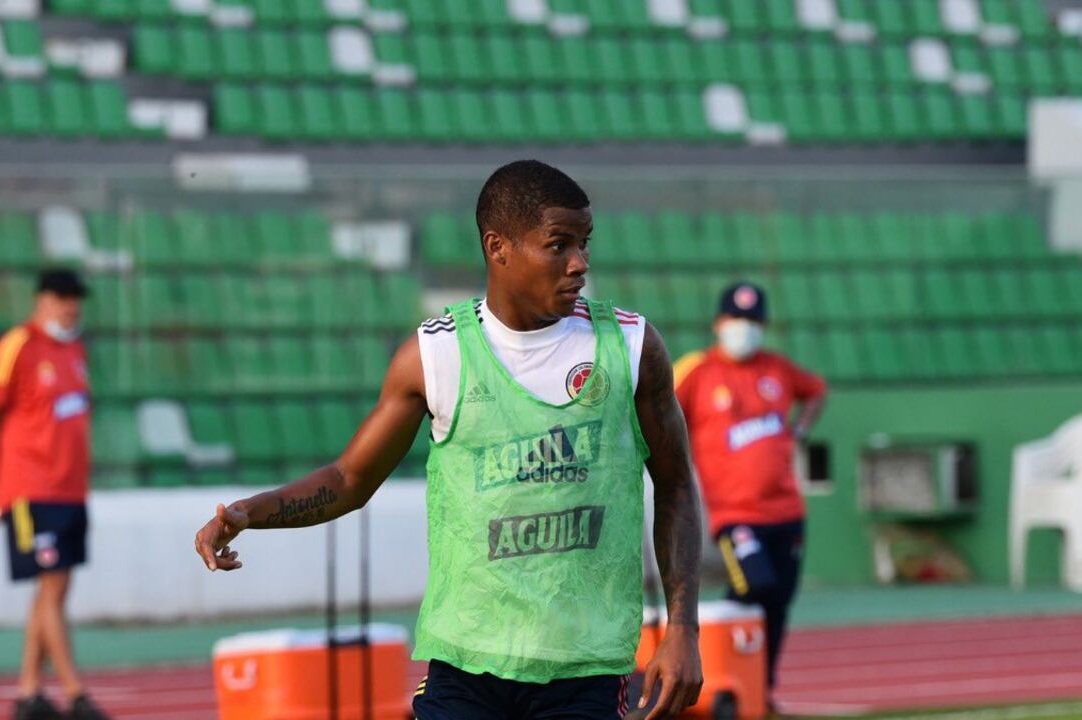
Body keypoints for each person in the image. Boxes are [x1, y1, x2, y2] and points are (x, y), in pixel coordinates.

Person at [195, 160, 705, 719]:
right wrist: (249, 512)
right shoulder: (436, 354)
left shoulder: (631, 347)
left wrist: (683, 628)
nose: (579, 262)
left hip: (584, 668)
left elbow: (677, 485)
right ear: (497, 247)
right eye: (559, 245)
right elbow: (349, 480)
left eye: (584, 243)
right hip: (465, 667)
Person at [673, 281, 827, 706]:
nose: (745, 327)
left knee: (777, 603)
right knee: (754, 585)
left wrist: (799, 430)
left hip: (787, 511)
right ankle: (718, 676)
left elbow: (816, 391)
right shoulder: (698, 371)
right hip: (735, 514)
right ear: (719, 322)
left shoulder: (777, 369)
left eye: (753, 320)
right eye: (737, 318)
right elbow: (660, 409)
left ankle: (761, 691)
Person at [0, 269, 110, 720]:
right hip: (31, 490)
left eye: (76, 299)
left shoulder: (75, 350)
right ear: (42, 300)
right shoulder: (18, 345)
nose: (71, 307)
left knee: (55, 588)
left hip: (70, 491)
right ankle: (75, 692)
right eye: (63, 298)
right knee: (52, 586)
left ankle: (29, 691)